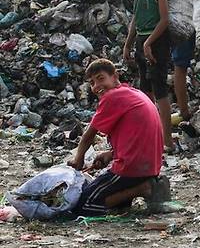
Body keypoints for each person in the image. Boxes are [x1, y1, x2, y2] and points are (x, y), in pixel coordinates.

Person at [69, 59, 170, 216]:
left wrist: (78, 159)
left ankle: (143, 188)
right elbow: (137, 136)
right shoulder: (133, 93)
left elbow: (90, 133)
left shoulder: (112, 97)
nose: (96, 86)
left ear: (115, 76)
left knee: (80, 205)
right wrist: (110, 154)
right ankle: (135, 190)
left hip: (131, 169)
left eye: (101, 78)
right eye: (92, 83)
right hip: (149, 166)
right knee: (113, 204)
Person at [121, 0, 174, 149]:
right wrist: (128, 44)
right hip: (141, 41)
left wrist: (149, 42)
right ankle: (151, 135)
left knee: (159, 89)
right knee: (145, 91)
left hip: (157, 41)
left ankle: (167, 140)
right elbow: (135, 18)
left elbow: (165, 19)